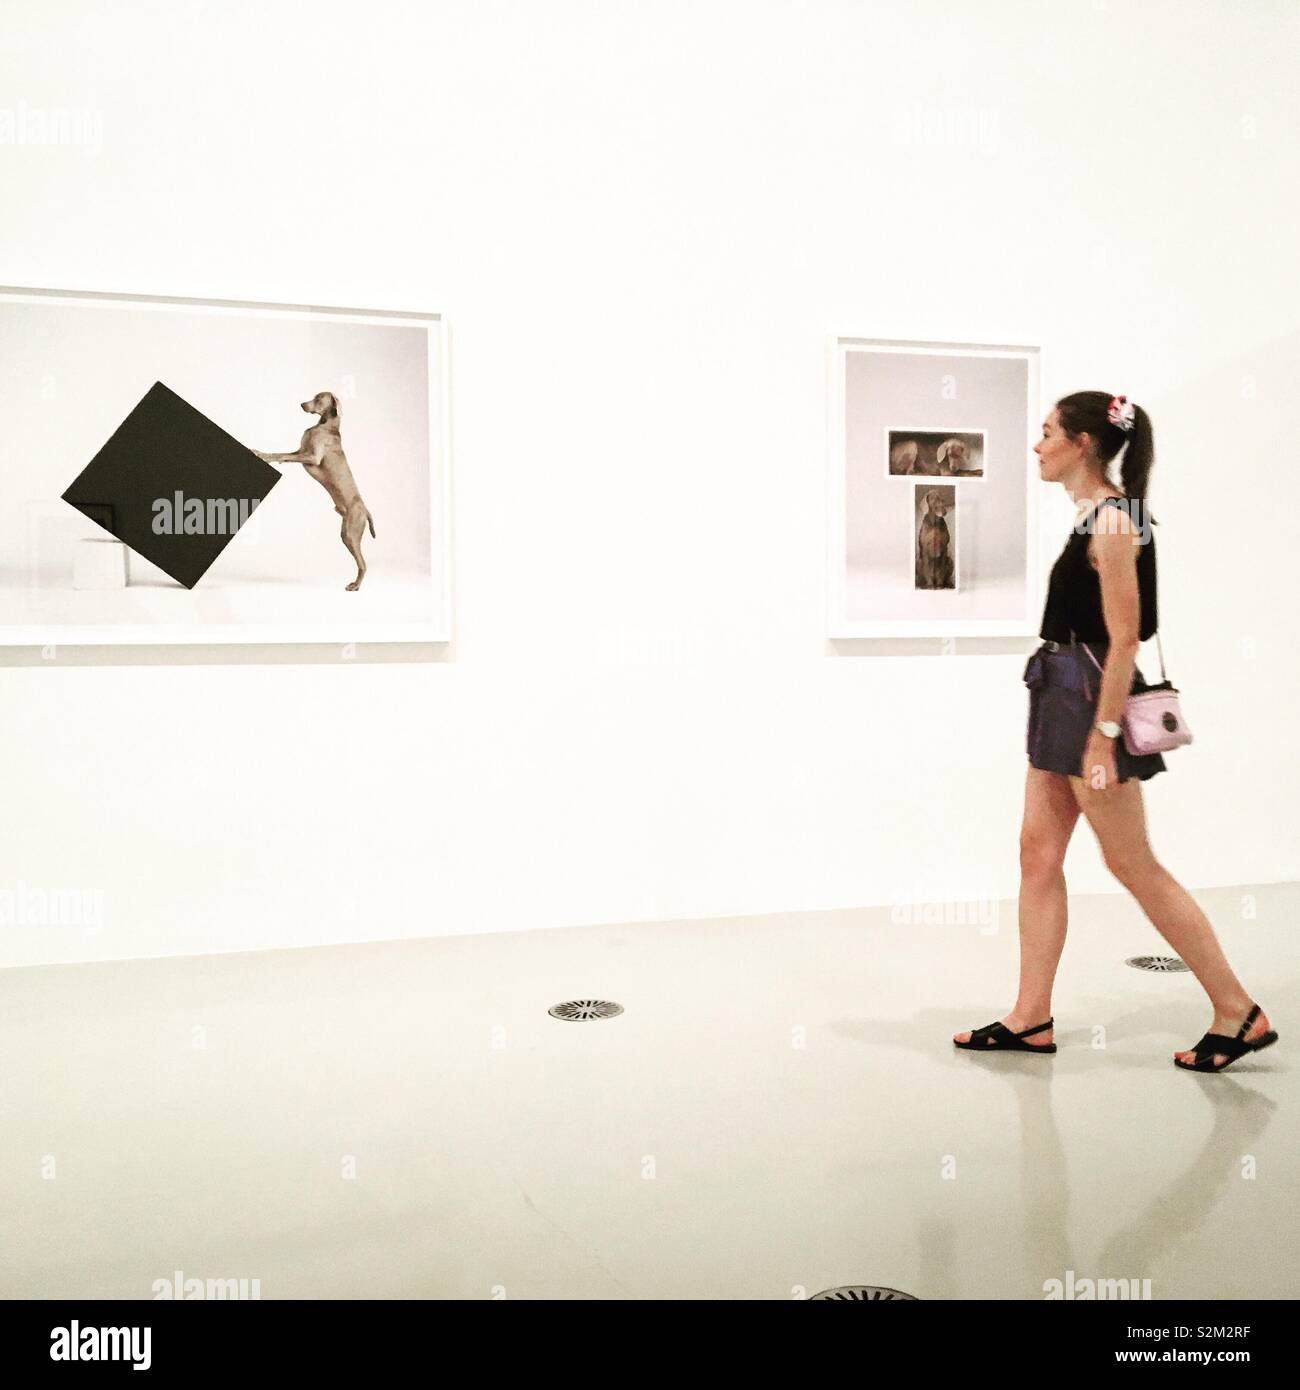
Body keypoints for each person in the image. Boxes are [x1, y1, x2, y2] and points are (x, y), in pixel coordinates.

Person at [953, 392, 1278, 1074]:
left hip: (1089, 698)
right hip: (1059, 691)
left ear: (1082, 444)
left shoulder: (1116, 522)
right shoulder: (1096, 517)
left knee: (1132, 863)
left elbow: (1126, 638)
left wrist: (1102, 738)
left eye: (1046, 434)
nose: (1037, 446)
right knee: (1037, 853)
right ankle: (1030, 1016)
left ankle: (1237, 1011)